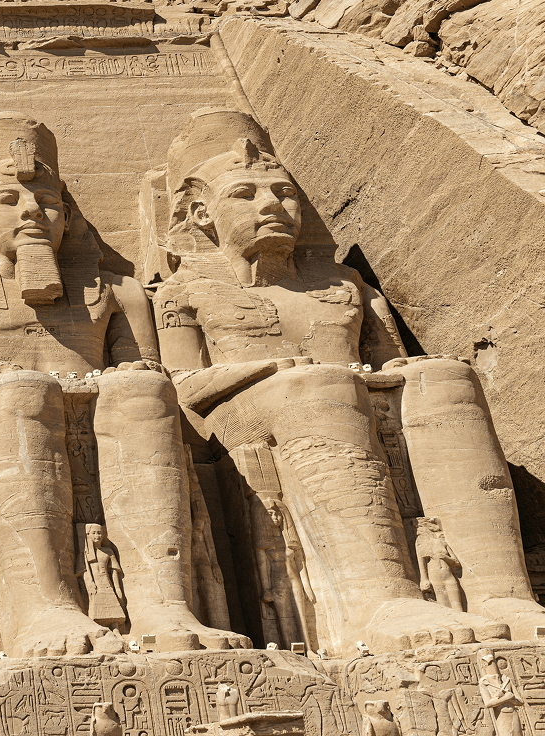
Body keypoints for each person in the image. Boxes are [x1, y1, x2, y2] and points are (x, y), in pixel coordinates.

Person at [154, 107, 543, 653]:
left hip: (341, 397)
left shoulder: (346, 284)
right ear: (200, 214)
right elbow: (183, 386)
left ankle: (501, 593)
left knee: (446, 379)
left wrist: (402, 372)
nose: (273, 206)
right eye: (245, 194)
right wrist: (274, 368)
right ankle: (376, 599)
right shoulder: (184, 290)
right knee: (321, 387)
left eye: (285, 194)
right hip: (243, 418)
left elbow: (390, 362)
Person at [0, 113, 245, 655]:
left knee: (143, 396)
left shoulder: (118, 292)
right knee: (21, 393)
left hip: (90, 411)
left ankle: (164, 604)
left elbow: (150, 372)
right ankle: (43, 609)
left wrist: (129, 377)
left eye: (49, 201)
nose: (34, 212)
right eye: (9, 200)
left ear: (67, 213)